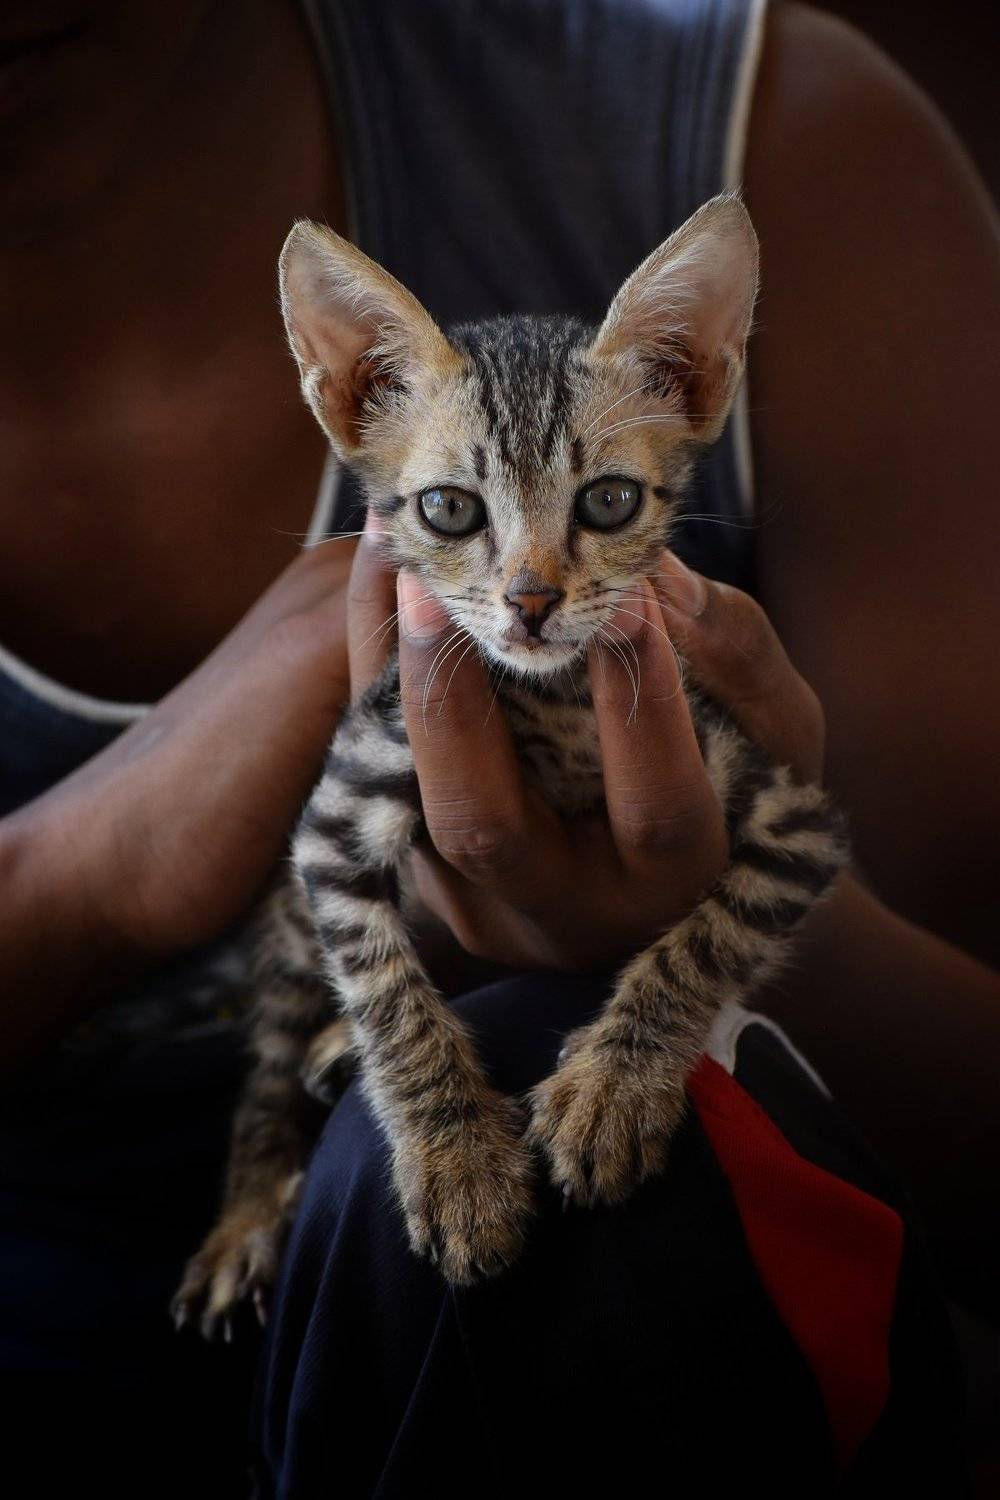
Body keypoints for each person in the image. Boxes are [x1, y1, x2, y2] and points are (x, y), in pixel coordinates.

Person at [0, 0, 996, 1492]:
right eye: (460, 515)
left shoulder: (764, 123)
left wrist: (710, 949)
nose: (528, 589)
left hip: (657, 1320)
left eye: (601, 506)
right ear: (350, 392)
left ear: (695, 387)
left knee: (550, 1088)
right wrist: (84, 873)